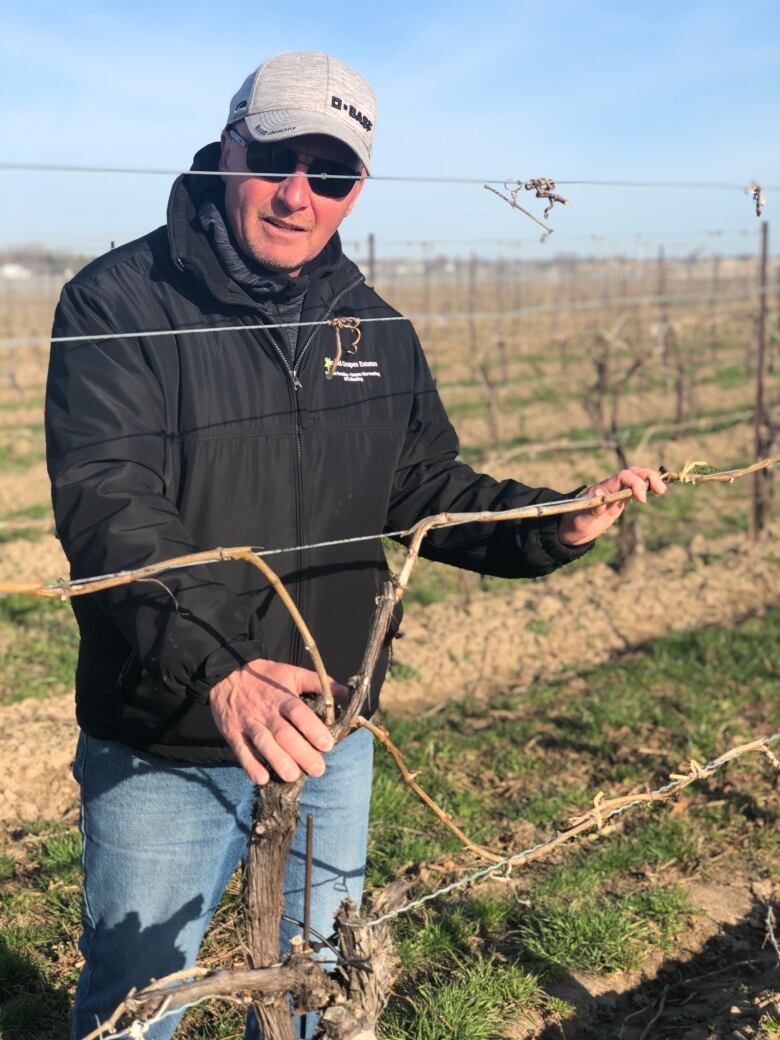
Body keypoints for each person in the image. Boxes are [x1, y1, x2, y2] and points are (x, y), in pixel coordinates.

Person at [45, 50, 666, 1040]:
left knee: (312, 987)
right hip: (166, 727)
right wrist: (221, 669)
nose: (297, 194)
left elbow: (422, 486)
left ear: (357, 189)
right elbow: (113, 512)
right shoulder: (118, 305)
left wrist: (554, 520)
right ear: (227, 147)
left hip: (331, 728)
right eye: (276, 159)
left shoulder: (372, 326)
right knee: (135, 1001)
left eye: (328, 172)